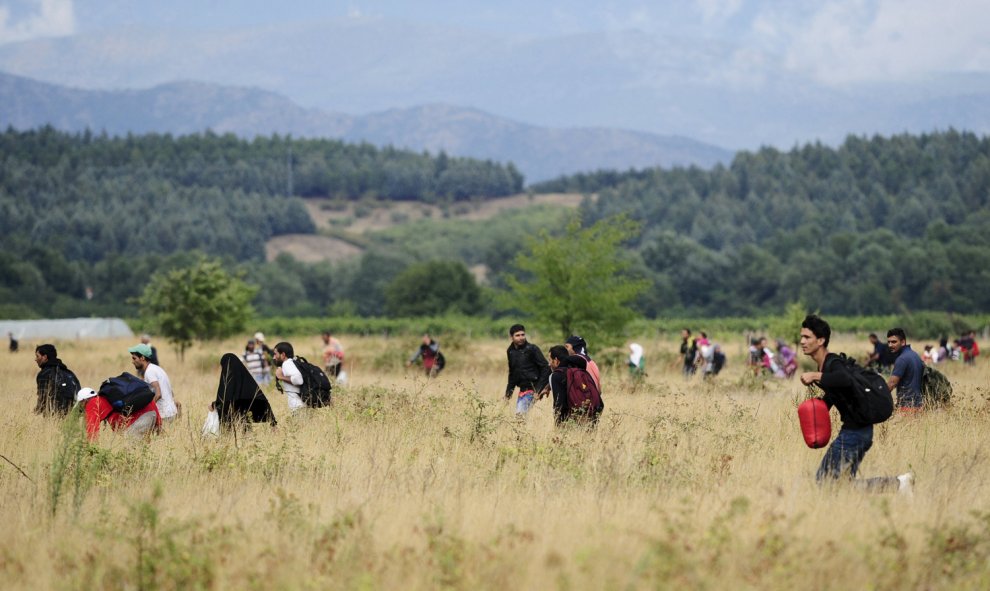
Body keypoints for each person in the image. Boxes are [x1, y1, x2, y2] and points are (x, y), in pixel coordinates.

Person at [798, 315, 912, 493]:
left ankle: (898, 485)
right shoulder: (826, 366)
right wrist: (819, 406)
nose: (802, 341)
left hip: (856, 433)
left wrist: (815, 376)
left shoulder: (833, 363)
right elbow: (838, 391)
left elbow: (844, 379)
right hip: (855, 432)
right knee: (837, 484)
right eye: (802, 337)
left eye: (807, 337)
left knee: (828, 483)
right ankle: (899, 485)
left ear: (820, 340)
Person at [211, 353, 277, 428]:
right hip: (245, 427)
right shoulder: (248, 381)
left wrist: (214, 405)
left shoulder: (227, 382)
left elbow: (225, 400)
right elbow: (262, 401)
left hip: (229, 428)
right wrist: (273, 422)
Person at [76, 387, 161, 440]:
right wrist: (158, 424)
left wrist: (91, 452)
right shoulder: (104, 398)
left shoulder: (92, 403)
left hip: (137, 420)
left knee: (132, 455)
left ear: (84, 400)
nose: (82, 407)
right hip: (150, 414)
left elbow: (92, 429)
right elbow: (150, 401)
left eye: (81, 404)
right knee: (144, 450)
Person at [547, 345, 603, 425]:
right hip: (591, 416)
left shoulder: (556, 375)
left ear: (556, 360)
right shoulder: (582, 371)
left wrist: (558, 424)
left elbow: (559, 403)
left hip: (571, 420)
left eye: (550, 360)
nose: (549, 364)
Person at [504, 324, 550, 416]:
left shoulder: (532, 349)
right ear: (511, 337)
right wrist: (508, 394)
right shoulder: (510, 351)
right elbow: (512, 373)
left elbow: (546, 368)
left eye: (522, 334)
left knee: (520, 416)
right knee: (520, 417)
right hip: (522, 389)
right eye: (517, 335)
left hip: (533, 389)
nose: (521, 337)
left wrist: (538, 390)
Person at [129, 343, 180, 421]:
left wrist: (146, 410)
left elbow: (158, 394)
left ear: (142, 358)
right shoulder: (156, 368)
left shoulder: (149, 372)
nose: (132, 361)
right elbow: (171, 393)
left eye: (134, 358)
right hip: (171, 412)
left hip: (164, 415)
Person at [34, 344, 80, 416]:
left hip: (53, 415)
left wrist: (35, 413)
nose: (35, 359)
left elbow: (43, 398)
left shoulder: (44, 374)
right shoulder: (69, 373)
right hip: (72, 415)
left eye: (37, 356)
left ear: (45, 357)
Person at [886, 328, 925, 411]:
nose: (890, 345)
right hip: (919, 405)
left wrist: (876, 396)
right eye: (888, 342)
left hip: (907, 407)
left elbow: (892, 384)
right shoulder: (914, 355)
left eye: (894, 342)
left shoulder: (902, 359)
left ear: (903, 342)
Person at [273, 341, 306, 413]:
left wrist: (281, 377)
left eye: (275, 354)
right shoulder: (292, 362)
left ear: (283, 355)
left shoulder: (287, 363)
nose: (274, 357)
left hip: (298, 406)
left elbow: (298, 380)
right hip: (301, 405)